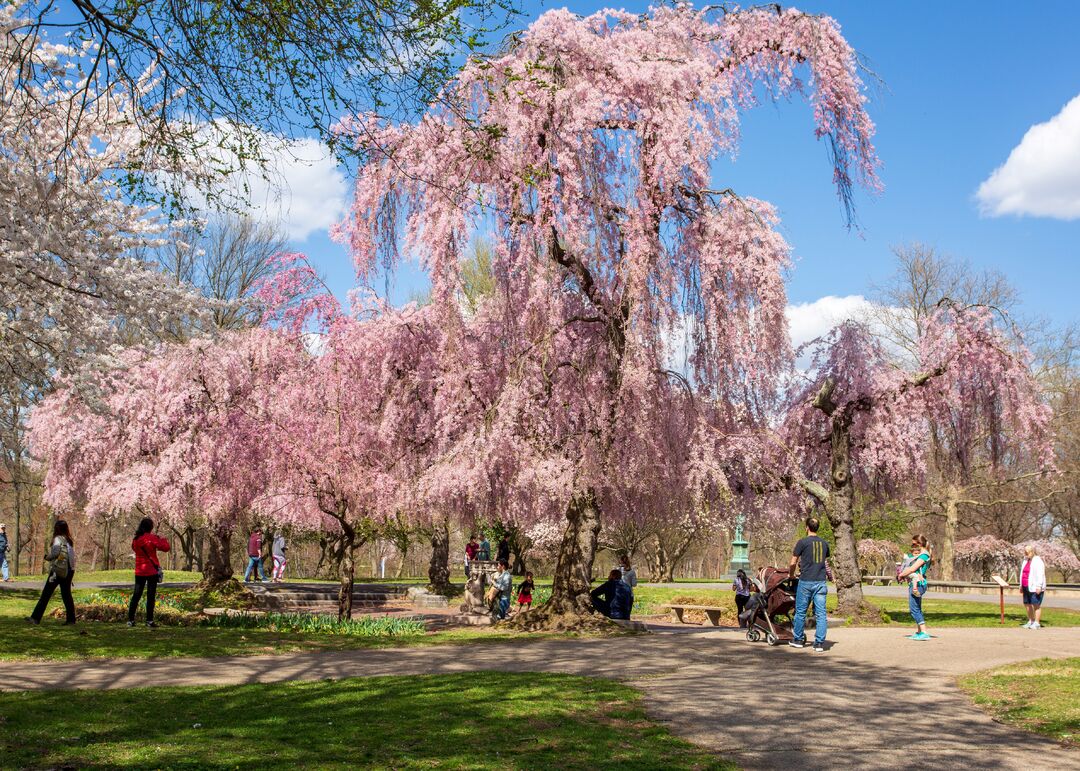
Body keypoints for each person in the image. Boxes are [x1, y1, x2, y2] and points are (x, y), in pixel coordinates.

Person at [789, 516, 830, 652]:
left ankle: (798, 639)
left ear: (807, 527)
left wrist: (791, 575)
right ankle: (819, 643)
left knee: (800, 612)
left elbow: (793, 562)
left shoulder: (802, 542)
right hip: (820, 582)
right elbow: (824, 561)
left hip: (806, 581)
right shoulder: (824, 544)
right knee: (821, 613)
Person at [28, 520, 76, 625]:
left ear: (56, 529)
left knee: (46, 595)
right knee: (67, 595)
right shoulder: (69, 541)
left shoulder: (58, 539)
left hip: (58, 571)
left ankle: (35, 618)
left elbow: (55, 553)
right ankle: (71, 620)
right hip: (69, 571)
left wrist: (47, 557)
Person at [128, 517, 170, 628]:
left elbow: (134, 549)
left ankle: (130, 620)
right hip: (151, 570)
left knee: (136, 595)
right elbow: (166, 548)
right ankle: (149, 620)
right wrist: (163, 539)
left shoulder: (136, 539)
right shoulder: (152, 538)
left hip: (139, 570)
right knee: (150, 596)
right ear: (151, 527)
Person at [897, 534, 933, 641]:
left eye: (913, 543)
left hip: (919, 584)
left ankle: (924, 632)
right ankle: (919, 631)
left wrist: (901, 575)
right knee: (917, 608)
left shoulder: (924, 555)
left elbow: (913, 569)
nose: (912, 546)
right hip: (915, 583)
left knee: (914, 609)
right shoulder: (921, 554)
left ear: (918, 543)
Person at [1019, 544, 1047, 629]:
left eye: (1027, 552)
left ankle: (1037, 622)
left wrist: (1039, 586)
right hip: (1025, 585)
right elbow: (1022, 573)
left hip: (1035, 586)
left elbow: (1040, 574)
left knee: (1036, 604)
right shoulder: (1025, 561)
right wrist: (1021, 585)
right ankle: (1031, 620)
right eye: (1025, 552)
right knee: (1027, 604)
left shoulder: (1037, 561)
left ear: (1032, 552)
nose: (1025, 554)